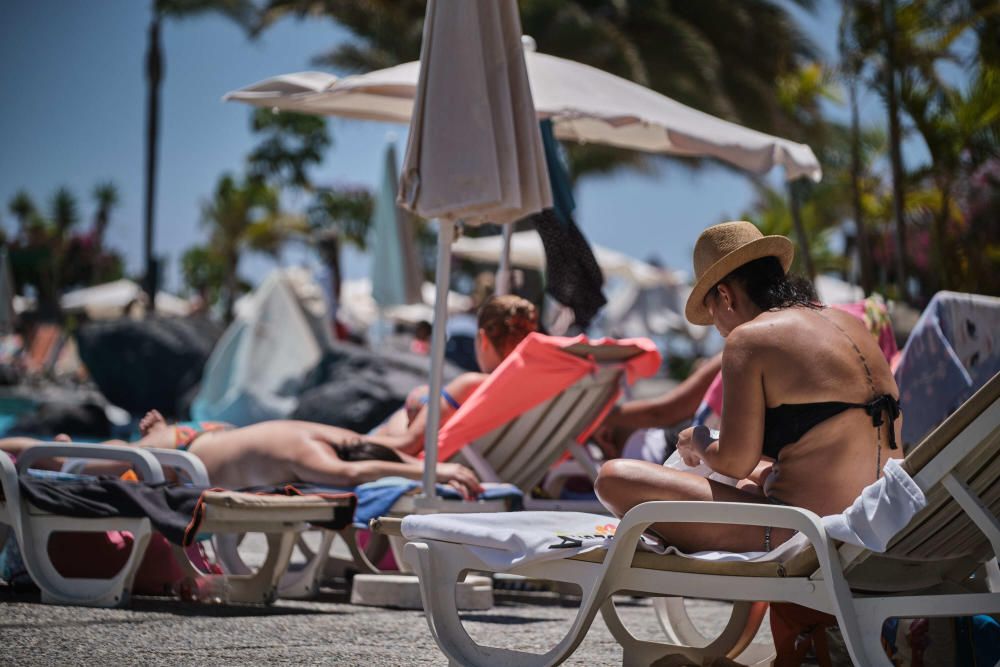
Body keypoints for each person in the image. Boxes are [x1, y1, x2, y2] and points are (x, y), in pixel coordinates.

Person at [595, 221, 902, 553]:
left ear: (725, 296)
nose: (720, 330)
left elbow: (732, 461)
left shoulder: (750, 339)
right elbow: (819, 435)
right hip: (878, 518)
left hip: (803, 531)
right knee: (749, 480)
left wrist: (696, 438)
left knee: (613, 478)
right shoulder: (851, 324)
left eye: (712, 316)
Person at [1, 415, 483, 498]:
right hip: (181, 452)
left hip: (195, 437)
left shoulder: (330, 433)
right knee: (66, 459)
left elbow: (385, 449)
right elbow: (354, 472)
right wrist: (434, 467)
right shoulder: (311, 452)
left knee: (86, 455)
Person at [370, 294, 539, 456]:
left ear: (483, 339)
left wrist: (350, 440)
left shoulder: (473, 385)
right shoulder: (538, 392)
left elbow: (408, 445)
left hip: (429, 465)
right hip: (504, 467)